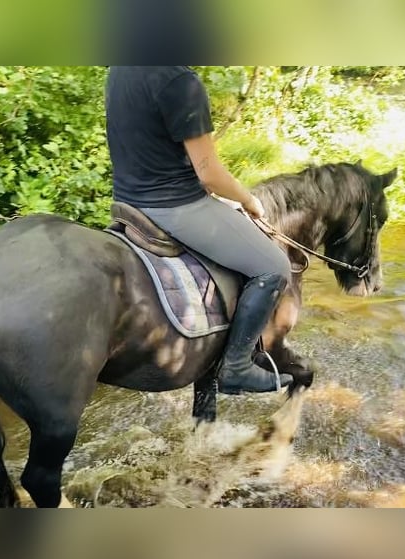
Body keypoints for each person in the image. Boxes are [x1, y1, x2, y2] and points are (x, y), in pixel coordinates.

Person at [105, 66, 293, 394]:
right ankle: (236, 366)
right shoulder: (181, 81)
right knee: (274, 266)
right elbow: (209, 175)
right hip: (176, 206)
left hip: (128, 202)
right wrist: (249, 200)